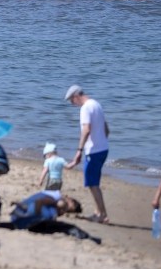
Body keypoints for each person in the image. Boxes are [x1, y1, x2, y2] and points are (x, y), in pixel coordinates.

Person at [64, 85, 110, 224]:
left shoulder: (85, 108)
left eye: (72, 101)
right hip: (103, 149)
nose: (73, 104)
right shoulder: (96, 104)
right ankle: (98, 212)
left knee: (92, 184)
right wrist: (101, 141)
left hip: (94, 151)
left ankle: (103, 214)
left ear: (76, 96)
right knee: (93, 181)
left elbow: (86, 129)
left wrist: (79, 150)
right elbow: (107, 129)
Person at [9, 191, 82, 230]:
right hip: (23, 217)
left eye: (67, 211)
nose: (64, 211)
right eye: (67, 209)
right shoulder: (57, 197)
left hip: (18, 217)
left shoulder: (53, 196)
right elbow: (40, 202)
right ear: (70, 200)